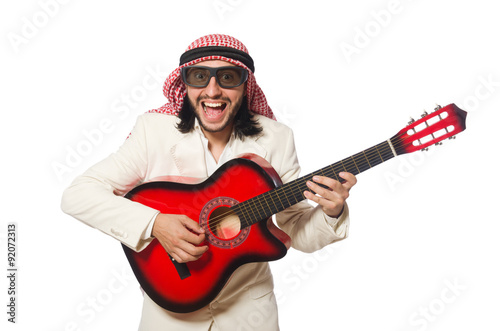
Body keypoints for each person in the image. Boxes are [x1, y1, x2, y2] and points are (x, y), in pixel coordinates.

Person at [61, 34, 357, 331]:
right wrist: (155, 224)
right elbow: (78, 195)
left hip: (249, 315)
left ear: (245, 84)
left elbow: (296, 229)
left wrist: (331, 212)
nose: (212, 91)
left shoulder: (276, 138)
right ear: (185, 83)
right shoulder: (154, 131)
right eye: (199, 76)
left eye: (227, 77)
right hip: (169, 314)